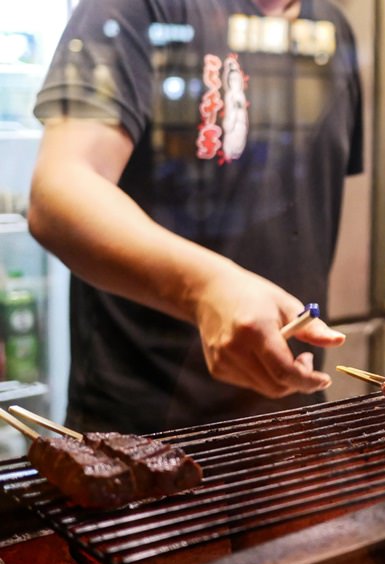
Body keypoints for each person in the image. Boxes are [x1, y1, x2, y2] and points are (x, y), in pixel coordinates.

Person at [27, 0, 364, 434]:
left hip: (290, 425)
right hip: (147, 431)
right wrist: (207, 287)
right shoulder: (139, 7)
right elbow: (59, 191)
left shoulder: (333, 28)